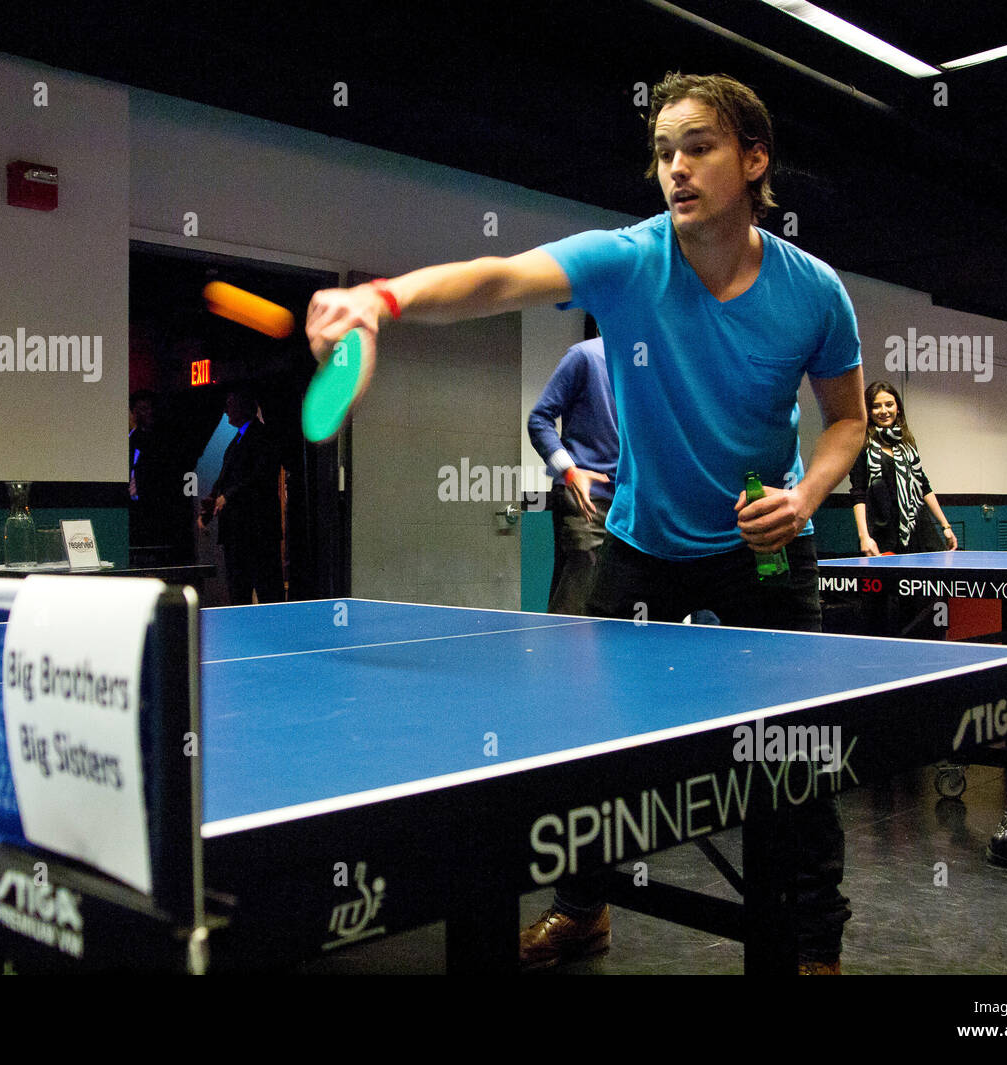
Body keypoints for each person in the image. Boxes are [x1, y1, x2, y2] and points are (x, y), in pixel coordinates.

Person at [306, 72, 866, 974]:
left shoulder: (814, 292)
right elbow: (501, 277)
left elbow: (848, 418)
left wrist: (805, 499)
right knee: (591, 743)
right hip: (643, 540)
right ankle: (581, 909)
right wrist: (385, 298)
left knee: (798, 750)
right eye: (662, 152)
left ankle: (813, 943)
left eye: (698, 146)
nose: (675, 168)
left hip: (766, 542)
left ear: (753, 159)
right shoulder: (633, 260)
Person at [527, 334, 618, 615]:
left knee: (618, 605)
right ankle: (561, 658)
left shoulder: (648, 370)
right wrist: (568, 471)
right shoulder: (584, 356)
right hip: (587, 500)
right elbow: (539, 419)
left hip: (632, 506)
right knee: (577, 604)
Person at [850, 381, 956, 556]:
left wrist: (945, 526)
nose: (883, 411)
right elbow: (858, 493)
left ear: (898, 408)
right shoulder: (861, 444)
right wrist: (864, 537)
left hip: (917, 528)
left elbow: (924, 486)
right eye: (876, 406)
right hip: (882, 533)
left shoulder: (907, 442)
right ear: (868, 411)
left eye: (889, 404)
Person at [200, 389, 285, 605]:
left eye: (231, 403)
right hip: (236, 533)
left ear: (245, 406)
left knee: (267, 590)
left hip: (258, 531)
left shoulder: (263, 437)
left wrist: (227, 497)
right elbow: (224, 478)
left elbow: (259, 476)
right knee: (238, 590)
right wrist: (210, 505)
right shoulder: (236, 442)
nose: (226, 409)